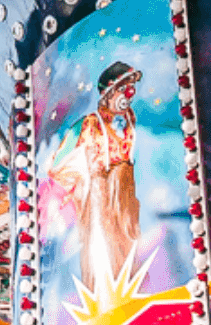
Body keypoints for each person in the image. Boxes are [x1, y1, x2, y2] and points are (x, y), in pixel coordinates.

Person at [46, 61, 144, 297]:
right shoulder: (89, 124)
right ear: (109, 92)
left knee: (128, 243)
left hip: (125, 192)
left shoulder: (130, 120)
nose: (129, 93)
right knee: (102, 244)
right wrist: (80, 183)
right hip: (100, 192)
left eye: (131, 87)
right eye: (124, 88)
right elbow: (59, 164)